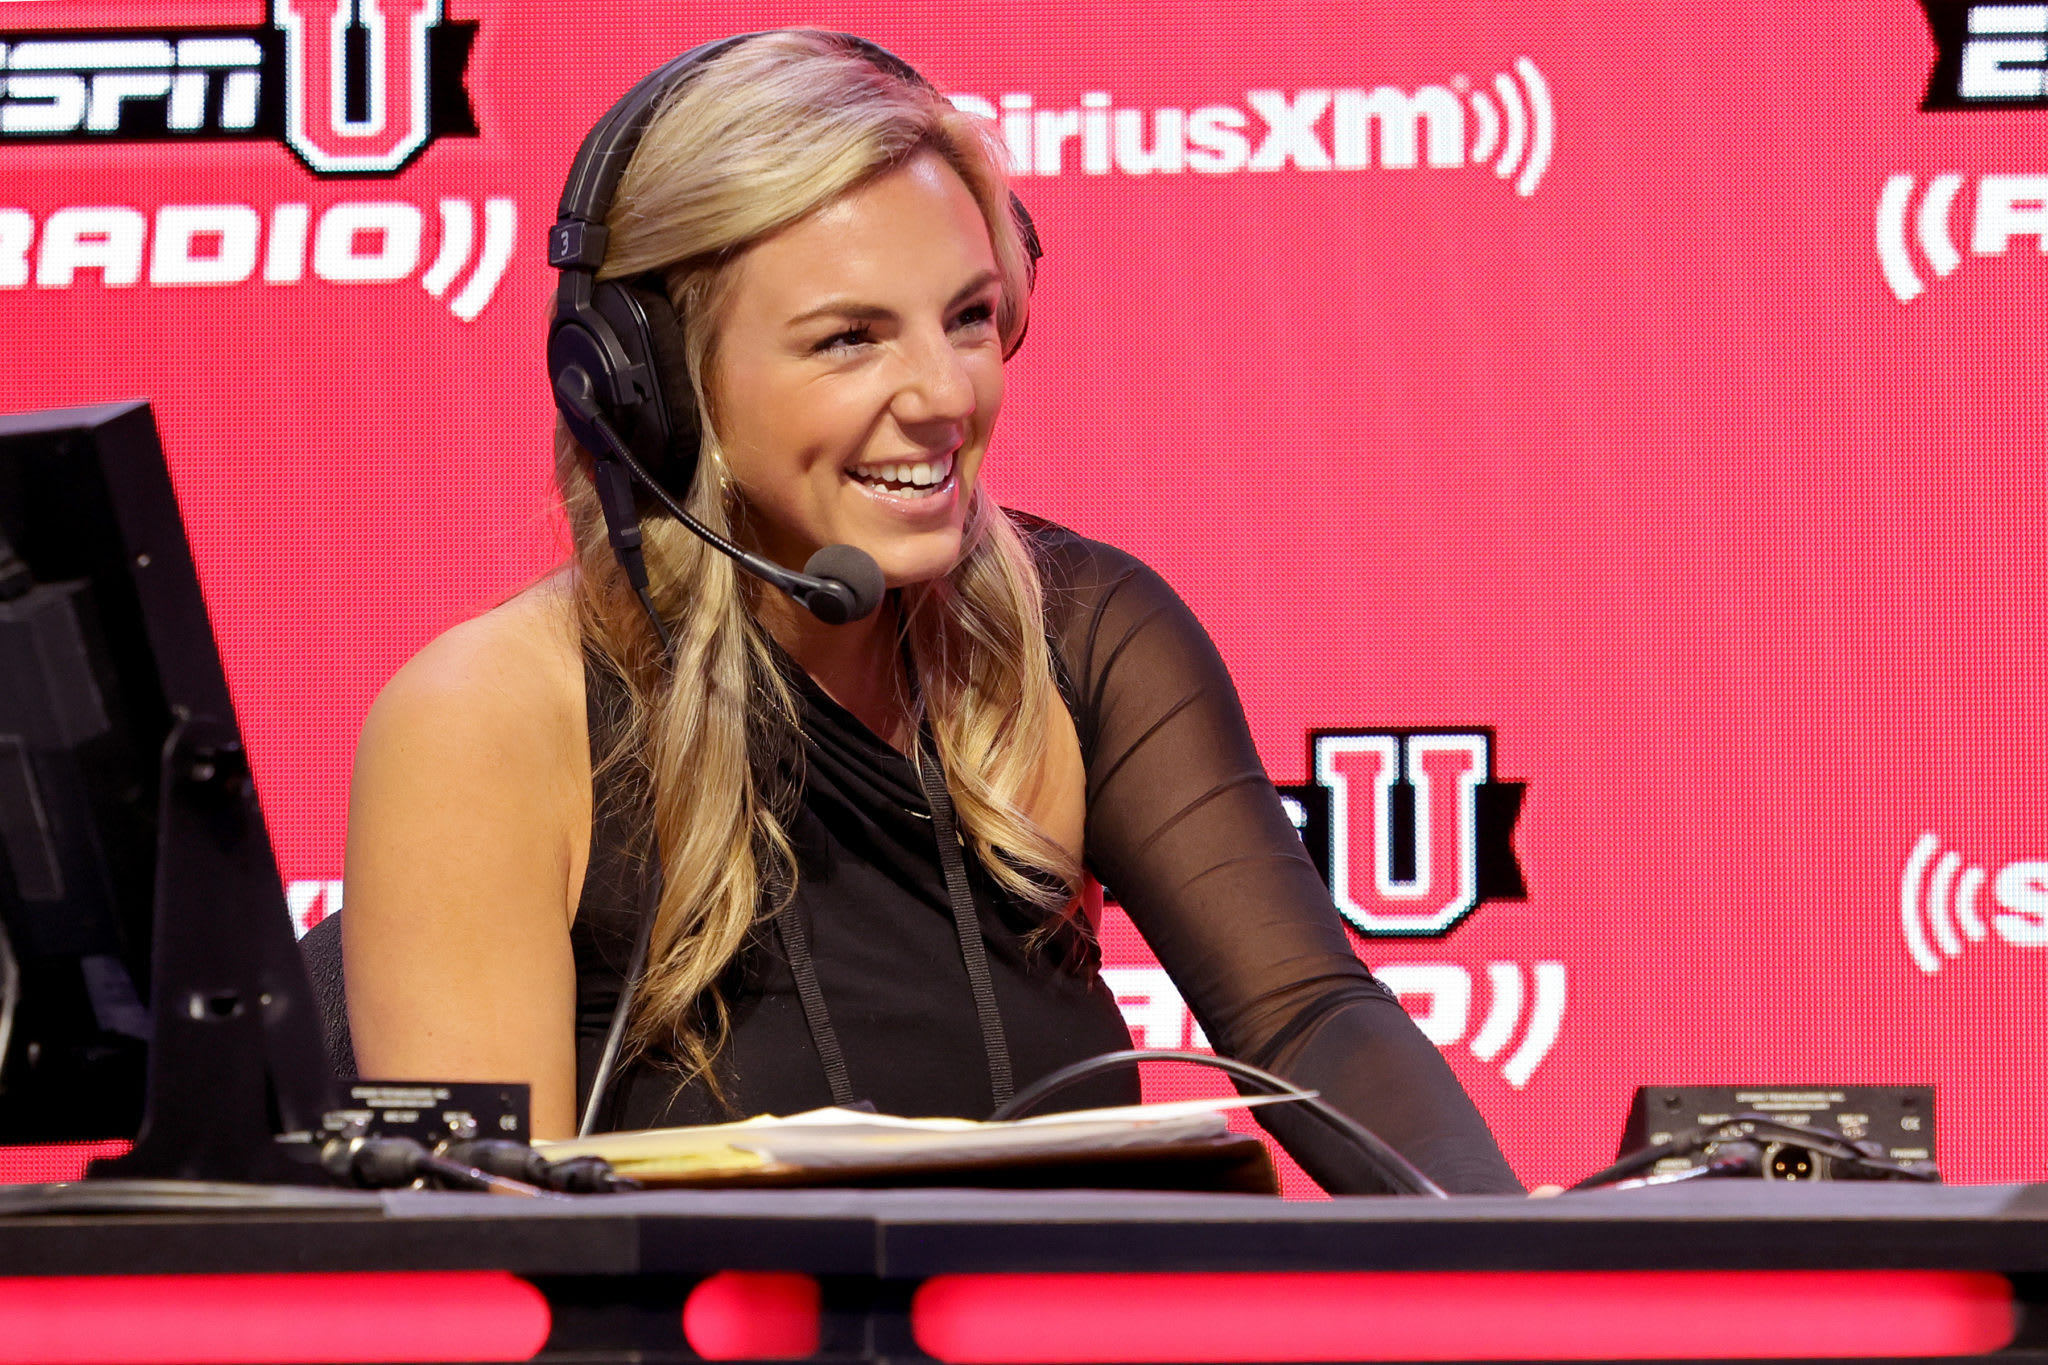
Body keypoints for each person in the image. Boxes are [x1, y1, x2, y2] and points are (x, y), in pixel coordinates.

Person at [342, 29, 1523, 1194]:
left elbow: (1303, 1019)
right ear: (650, 378)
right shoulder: (489, 720)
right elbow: (489, 1250)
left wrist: (1529, 1276)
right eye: (849, 339)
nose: (946, 393)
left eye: (967, 318)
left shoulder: (1082, 635)